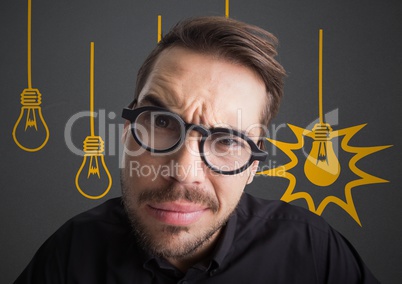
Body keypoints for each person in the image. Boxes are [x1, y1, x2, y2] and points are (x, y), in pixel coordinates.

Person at [15, 16, 379, 283]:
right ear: (127, 131)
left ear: (253, 165)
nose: (184, 171)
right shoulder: (70, 254)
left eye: (227, 142)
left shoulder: (313, 250)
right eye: (160, 123)